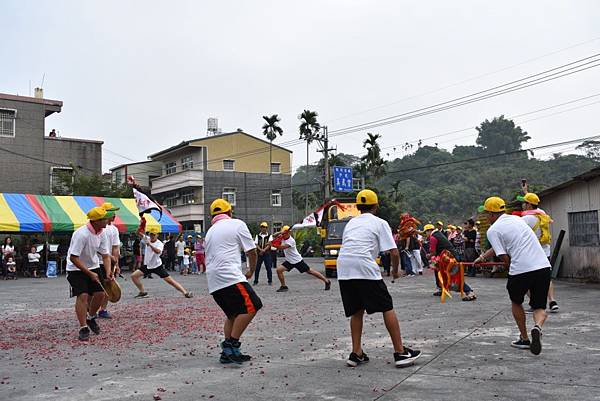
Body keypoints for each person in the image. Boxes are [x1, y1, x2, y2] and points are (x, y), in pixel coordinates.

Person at [337, 189, 421, 368]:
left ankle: (356, 353)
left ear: (358, 207)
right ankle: (400, 352)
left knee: (356, 310)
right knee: (387, 306)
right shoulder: (380, 222)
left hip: (343, 267)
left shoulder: (351, 223)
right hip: (364, 266)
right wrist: (395, 272)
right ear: (376, 206)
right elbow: (394, 252)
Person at [475, 196, 552, 355]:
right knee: (539, 306)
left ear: (491, 214)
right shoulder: (518, 220)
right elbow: (501, 247)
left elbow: (503, 256)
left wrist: (509, 268)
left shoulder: (493, 230)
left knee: (516, 302)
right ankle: (537, 327)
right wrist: (482, 258)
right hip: (543, 266)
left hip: (520, 270)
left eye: (486, 213)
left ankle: (524, 339)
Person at [205, 198, 262, 364]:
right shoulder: (237, 224)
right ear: (229, 212)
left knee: (233, 314)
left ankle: (229, 353)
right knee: (253, 306)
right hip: (229, 276)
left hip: (213, 281)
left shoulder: (210, 231)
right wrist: (251, 270)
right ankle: (231, 344)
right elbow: (251, 251)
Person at [66, 207, 114, 341]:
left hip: (93, 265)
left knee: (101, 293)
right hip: (75, 268)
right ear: (96, 221)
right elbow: (73, 258)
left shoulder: (102, 232)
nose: (108, 220)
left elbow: (105, 255)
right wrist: (89, 273)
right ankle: (83, 327)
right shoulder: (82, 234)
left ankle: (91, 317)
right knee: (83, 295)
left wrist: (108, 272)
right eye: (105, 218)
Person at [517, 192, 559, 313]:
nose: (522, 205)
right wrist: (526, 191)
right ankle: (552, 300)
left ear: (529, 205)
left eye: (524, 203)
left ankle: (535, 304)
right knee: (546, 277)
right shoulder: (542, 214)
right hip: (545, 251)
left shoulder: (526, 219)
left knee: (527, 280)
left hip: (531, 254)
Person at [130, 228, 193, 299]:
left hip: (157, 266)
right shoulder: (147, 238)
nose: (152, 236)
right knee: (134, 276)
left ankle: (185, 293)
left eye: (154, 235)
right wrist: (141, 225)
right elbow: (138, 233)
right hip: (148, 265)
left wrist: (149, 244)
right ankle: (143, 292)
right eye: (151, 234)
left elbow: (158, 251)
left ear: (157, 235)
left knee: (170, 281)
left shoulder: (159, 243)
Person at [424, 224, 476, 301]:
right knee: (438, 271)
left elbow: (433, 252)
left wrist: (428, 255)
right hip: (449, 256)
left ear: (429, 231)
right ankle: (441, 288)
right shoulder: (438, 234)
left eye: (425, 232)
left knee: (454, 276)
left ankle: (469, 292)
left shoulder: (433, 237)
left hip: (450, 258)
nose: (425, 235)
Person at [274, 226, 331, 292]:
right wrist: (280, 232)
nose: (283, 234)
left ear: (289, 233)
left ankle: (326, 281)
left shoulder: (291, 241)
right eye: (283, 233)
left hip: (297, 260)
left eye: (285, 233)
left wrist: (272, 245)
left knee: (310, 271)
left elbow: (282, 247)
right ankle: (283, 286)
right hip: (289, 261)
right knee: (279, 270)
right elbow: (273, 235)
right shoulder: (282, 237)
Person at [98, 202, 121, 319]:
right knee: (97, 288)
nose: (115, 215)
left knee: (109, 285)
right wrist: (109, 256)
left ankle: (103, 309)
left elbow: (115, 247)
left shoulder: (114, 229)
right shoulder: (99, 228)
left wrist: (116, 262)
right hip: (97, 262)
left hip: (109, 262)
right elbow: (96, 247)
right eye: (112, 212)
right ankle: (90, 309)